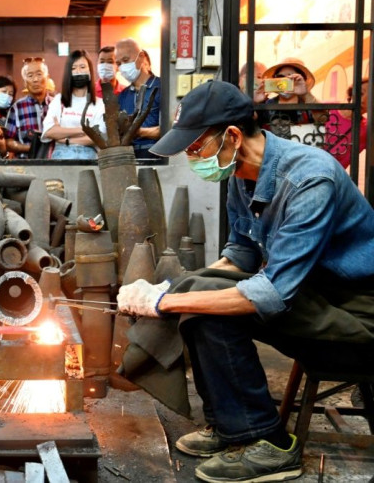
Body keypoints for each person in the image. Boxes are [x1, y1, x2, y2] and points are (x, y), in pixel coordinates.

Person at [118, 80, 374, 482]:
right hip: (309, 291)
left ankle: (269, 442)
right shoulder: (242, 172)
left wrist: (165, 304)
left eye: (194, 147)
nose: (191, 157)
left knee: (201, 304)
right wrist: (174, 288)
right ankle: (229, 424)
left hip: (354, 313)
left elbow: (270, 292)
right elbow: (241, 255)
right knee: (193, 289)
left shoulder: (309, 179)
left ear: (232, 136)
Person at [42, 50, 105, 160]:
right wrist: (84, 130)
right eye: (73, 68)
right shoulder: (58, 101)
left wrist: (65, 138)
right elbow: (49, 131)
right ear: (68, 73)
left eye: (82, 67)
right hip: (61, 157)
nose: (78, 71)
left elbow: (98, 137)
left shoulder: (100, 104)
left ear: (90, 71)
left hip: (89, 158)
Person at [116, 38, 161, 163]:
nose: (123, 67)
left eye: (125, 60)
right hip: (128, 156)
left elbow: (170, 129)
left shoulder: (162, 88)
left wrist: (138, 132)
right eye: (118, 64)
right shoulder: (123, 96)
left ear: (141, 57)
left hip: (156, 153)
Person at [258, 57, 327, 135]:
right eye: (280, 77)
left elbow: (323, 119)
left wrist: (306, 94)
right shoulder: (268, 104)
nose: (285, 81)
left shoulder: (307, 103)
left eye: (291, 78)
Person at [4, 57, 53, 159]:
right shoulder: (17, 108)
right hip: (25, 164)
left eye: (39, 74)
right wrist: (31, 148)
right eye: (30, 75)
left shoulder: (57, 104)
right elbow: (8, 141)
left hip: (54, 163)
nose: (35, 79)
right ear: (25, 82)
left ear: (47, 77)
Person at [324, 79, 368, 169]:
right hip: (305, 168)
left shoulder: (367, 128)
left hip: (330, 177)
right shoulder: (329, 107)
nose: (363, 100)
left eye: (371, 98)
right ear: (351, 93)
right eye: (361, 94)